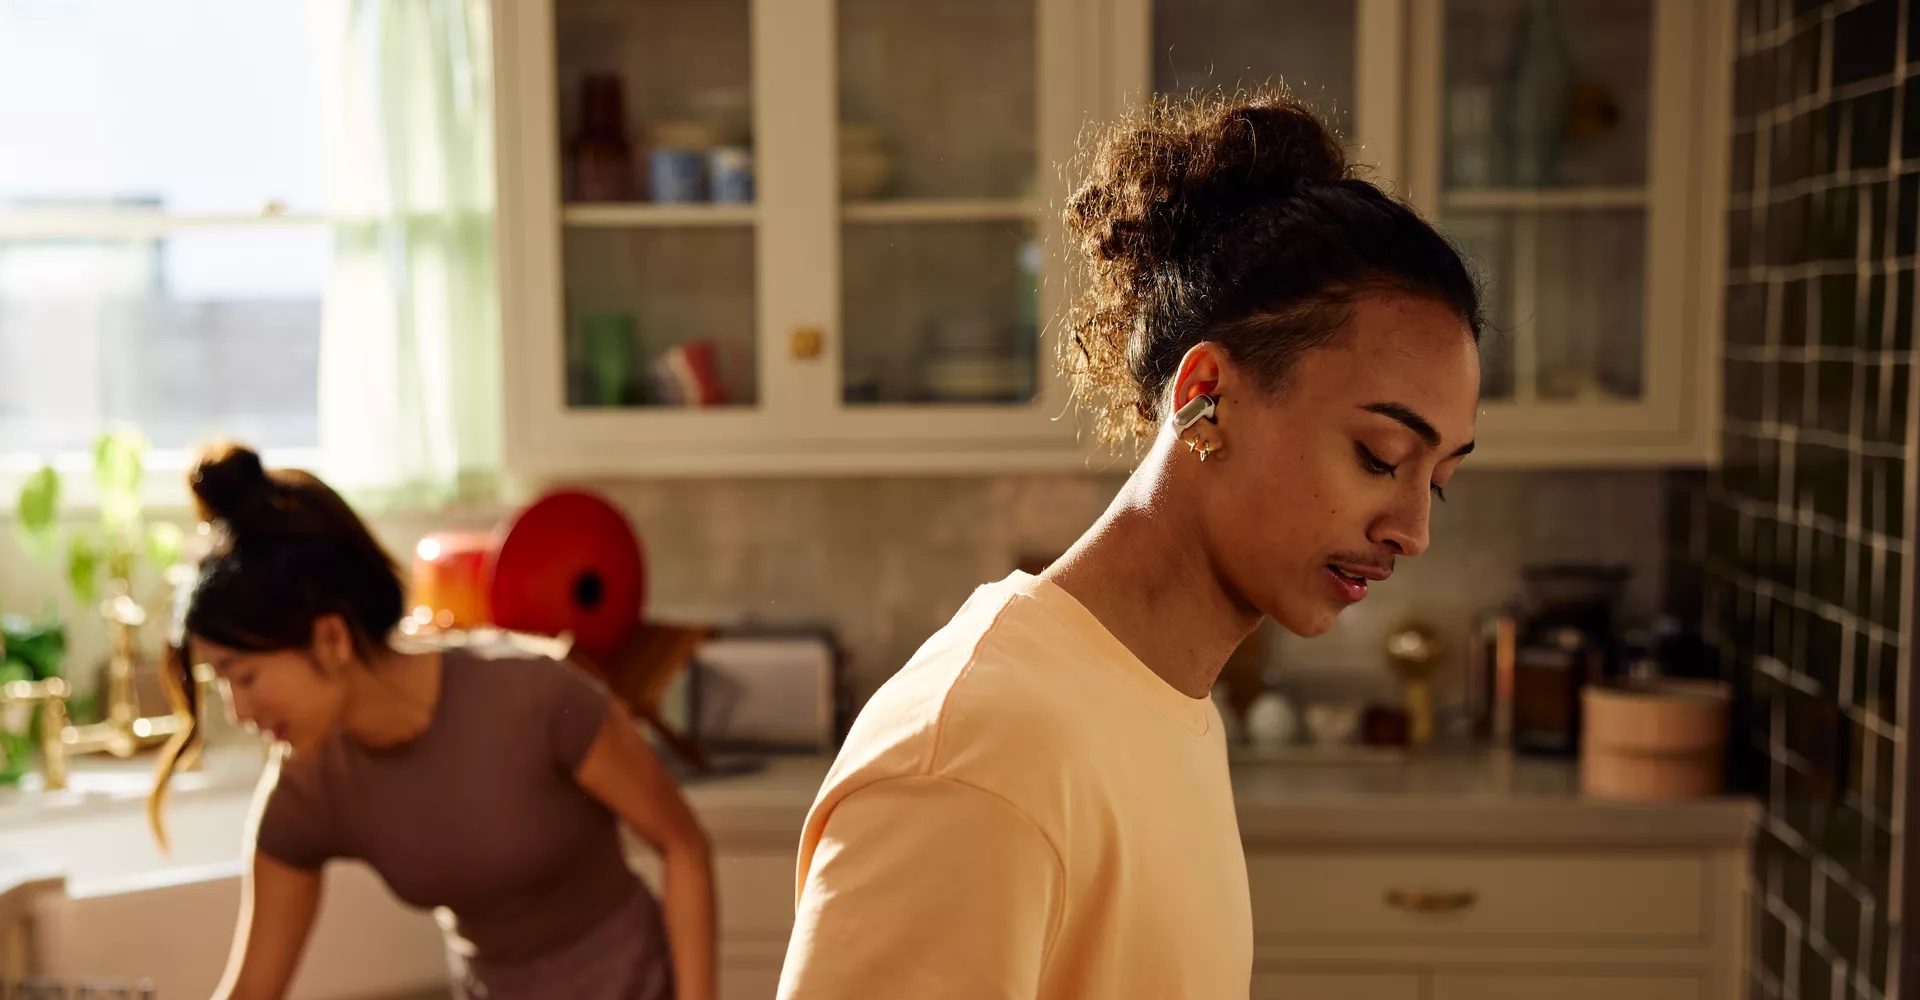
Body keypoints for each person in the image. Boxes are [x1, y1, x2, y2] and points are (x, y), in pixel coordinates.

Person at [775, 88, 1484, 998]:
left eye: (1441, 481)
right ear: (1208, 394)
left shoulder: (1157, 702)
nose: (1413, 531)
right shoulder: (980, 757)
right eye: (1381, 456)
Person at [149, 443, 716, 1000]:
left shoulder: (531, 691)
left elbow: (683, 844)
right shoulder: (307, 784)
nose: (237, 711)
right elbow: (250, 991)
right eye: (219, 682)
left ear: (332, 638)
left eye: (243, 677)